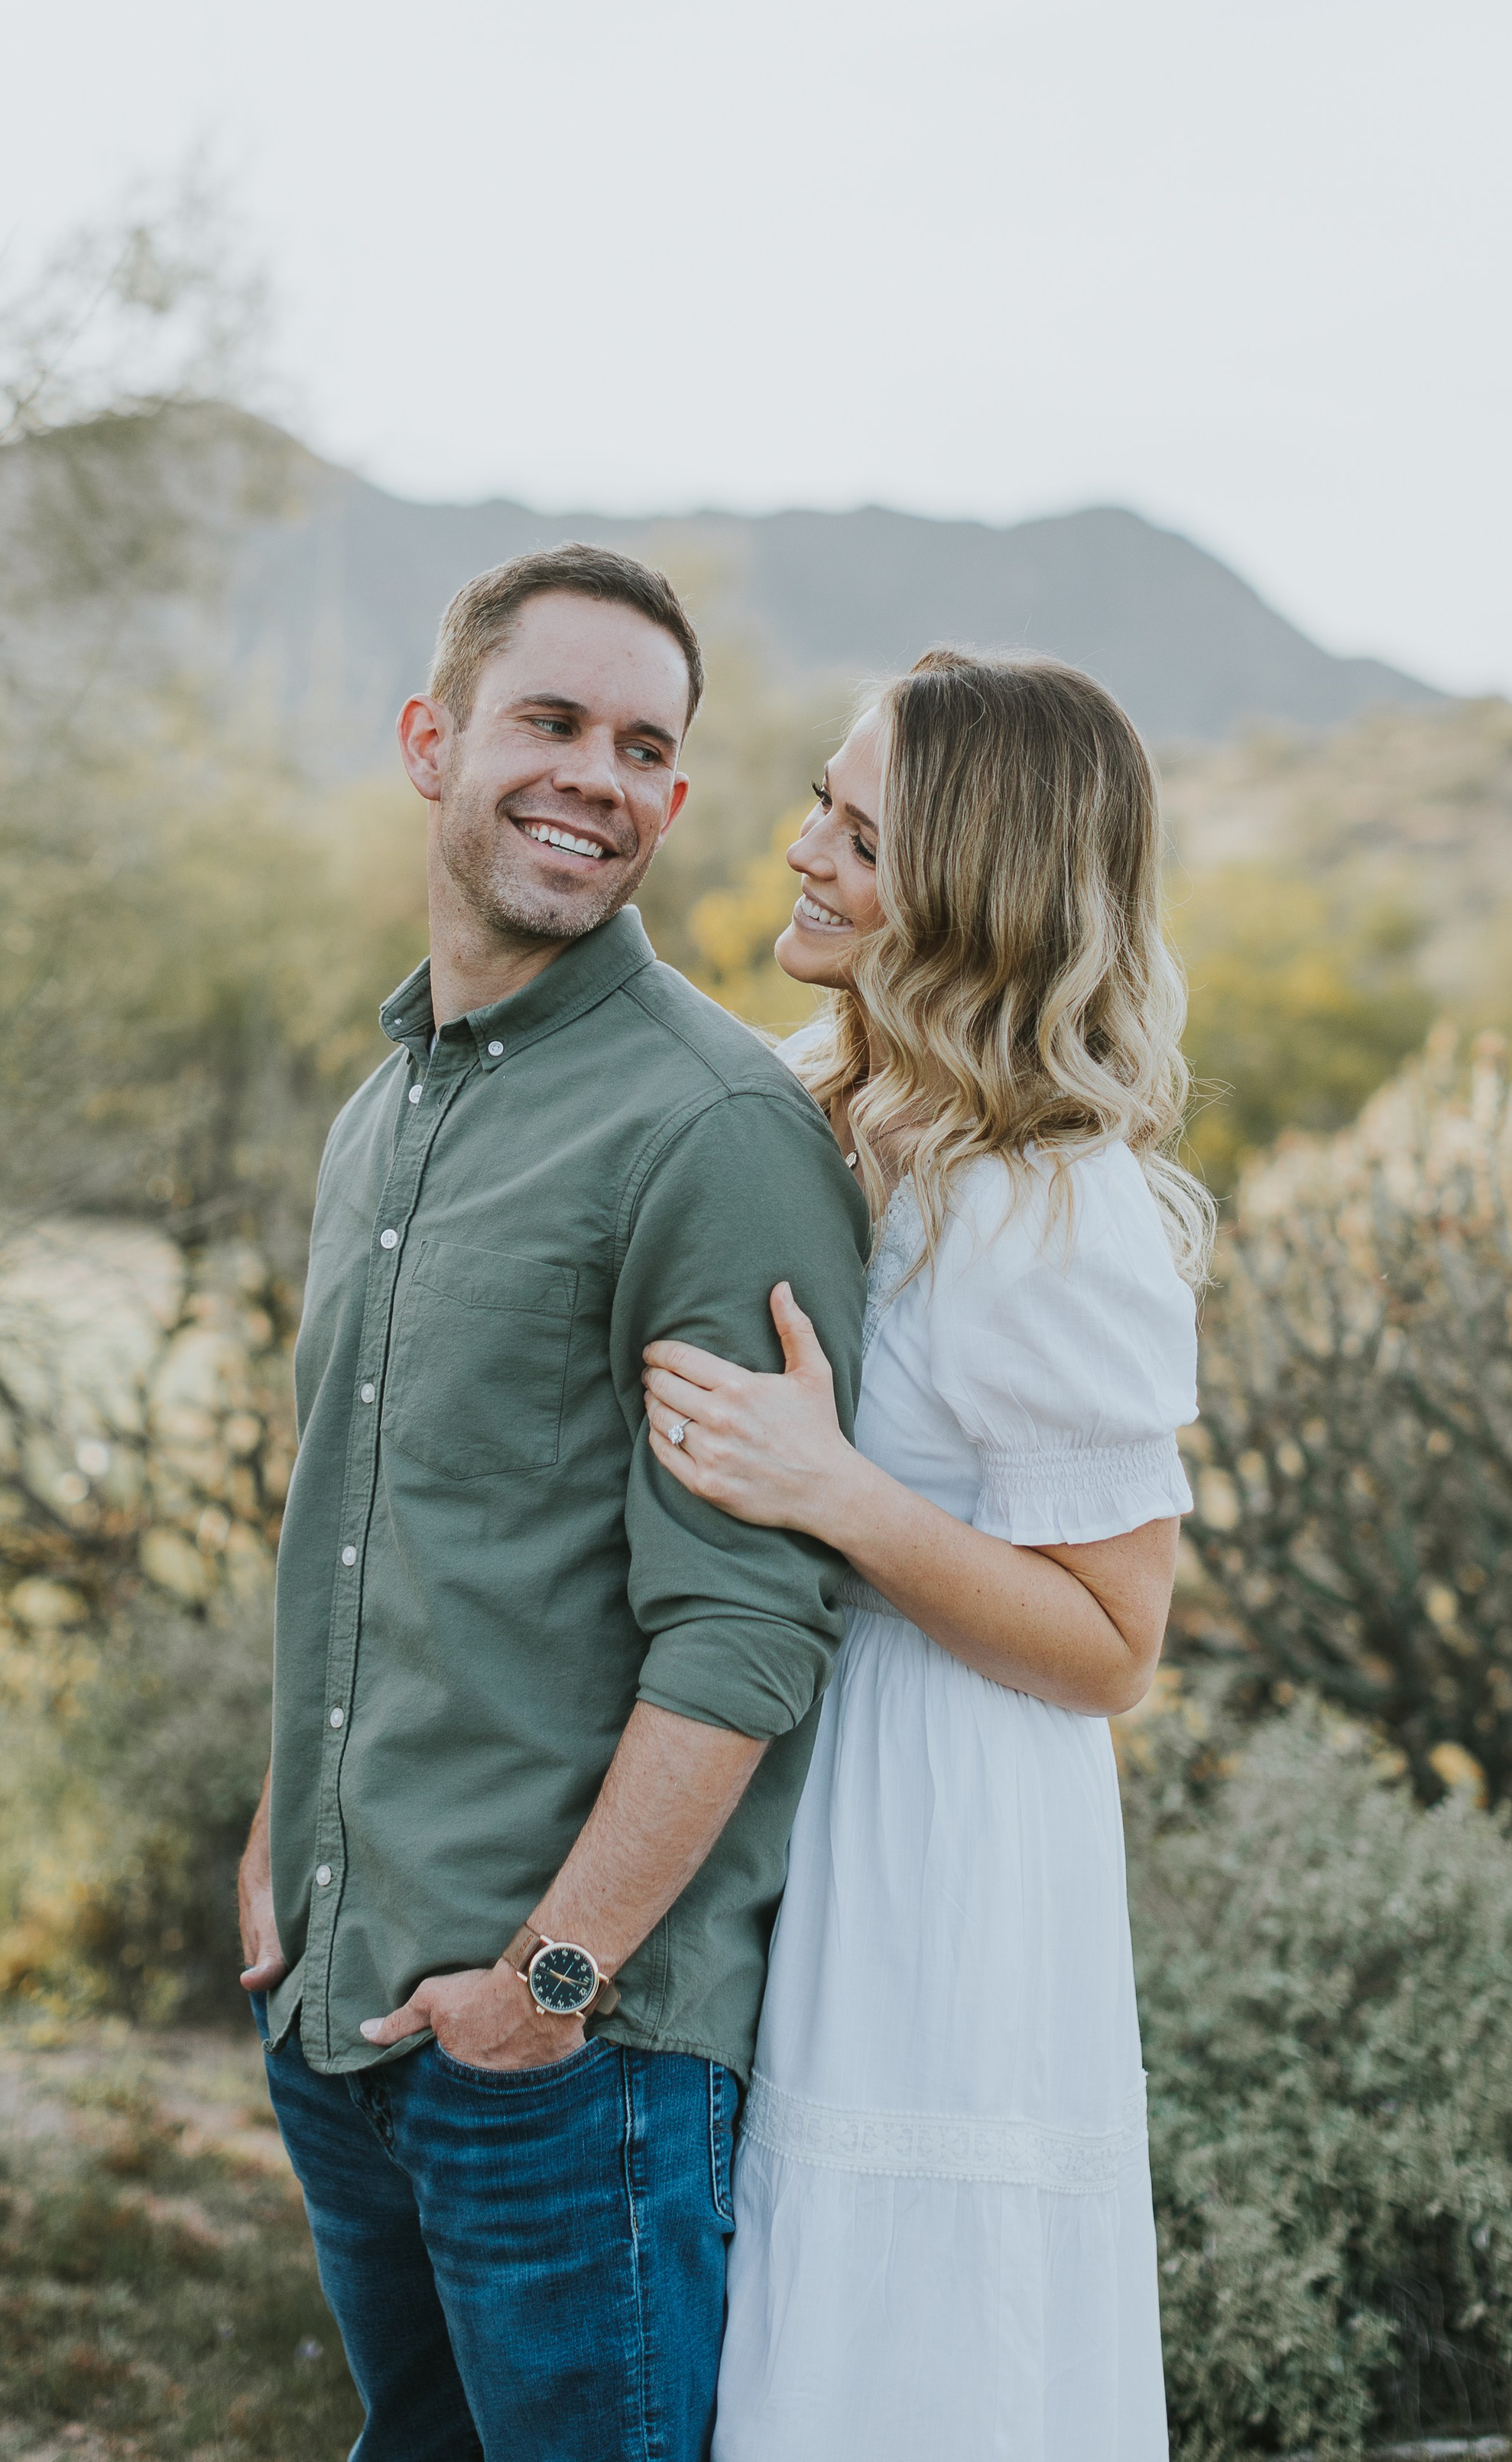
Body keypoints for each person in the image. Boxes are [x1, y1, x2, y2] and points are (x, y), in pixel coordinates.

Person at [234, 543, 869, 2462]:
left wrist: (550, 1983)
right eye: (549, 721)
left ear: (675, 804)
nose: (594, 771)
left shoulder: (713, 1129)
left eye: (640, 744)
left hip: (568, 2060)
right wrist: (283, 1842)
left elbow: (747, 1623)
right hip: (344, 2016)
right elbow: (355, 1513)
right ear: (432, 743)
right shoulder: (385, 1110)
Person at [638, 648, 1210, 2462]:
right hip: (792, 1772)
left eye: (860, 832)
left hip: (943, 1833)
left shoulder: (1056, 1205)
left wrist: (837, 1494)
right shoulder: (816, 1108)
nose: (801, 846)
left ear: (975, 885)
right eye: (820, 799)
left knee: (901, 2337)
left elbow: (1112, 1645)